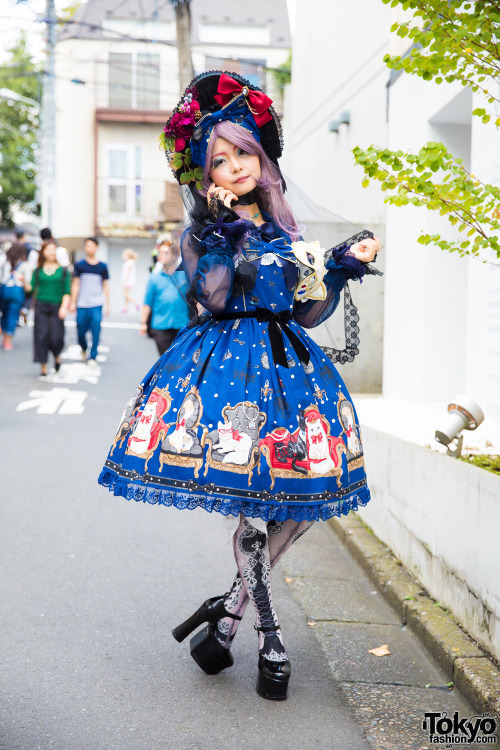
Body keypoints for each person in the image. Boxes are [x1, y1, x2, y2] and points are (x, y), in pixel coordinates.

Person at [98, 71, 381, 700]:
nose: (234, 167)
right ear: (205, 175)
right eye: (218, 161)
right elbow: (213, 297)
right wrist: (223, 233)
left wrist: (335, 269)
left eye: (243, 153)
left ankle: (225, 615)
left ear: (263, 157)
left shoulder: (287, 233)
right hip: (230, 372)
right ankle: (268, 634)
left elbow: (307, 313)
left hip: (291, 373)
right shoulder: (201, 233)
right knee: (253, 504)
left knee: (301, 506)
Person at [139, 239, 190, 355]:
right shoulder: (154, 278)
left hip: (182, 324)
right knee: (165, 359)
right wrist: (143, 323)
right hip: (160, 325)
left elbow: (195, 299)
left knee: (179, 359)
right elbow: (147, 302)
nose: (161, 256)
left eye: (165, 252)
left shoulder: (184, 276)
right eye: (160, 253)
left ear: (174, 255)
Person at [31, 240, 71, 378]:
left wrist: (64, 307)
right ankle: (43, 366)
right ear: (43, 252)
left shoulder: (63, 271)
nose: (52, 252)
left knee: (56, 337)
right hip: (41, 306)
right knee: (41, 336)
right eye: (49, 249)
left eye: (54, 249)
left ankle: (57, 356)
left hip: (57, 306)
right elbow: (31, 289)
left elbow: (67, 291)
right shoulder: (37, 271)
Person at [70, 237, 109, 367]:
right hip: (82, 304)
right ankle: (83, 347)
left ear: (96, 247)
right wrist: (73, 302)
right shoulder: (80, 265)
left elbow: (105, 286)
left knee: (96, 330)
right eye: (87, 246)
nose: (89, 248)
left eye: (91, 246)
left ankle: (93, 356)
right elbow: (75, 284)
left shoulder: (102, 266)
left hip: (97, 304)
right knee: (80, 329)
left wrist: (108, 304)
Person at [0, 242, 31, 351]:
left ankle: (4, 338)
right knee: (13, 316)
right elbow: (28, 286)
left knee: (4, 315)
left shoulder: (4, 262)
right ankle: (8, 342)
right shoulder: (25, 264)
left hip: (3, 292)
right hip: (17, 294)